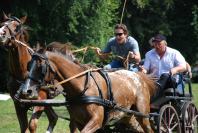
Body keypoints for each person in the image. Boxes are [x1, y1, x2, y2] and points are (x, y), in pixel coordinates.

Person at [140, 34, 187, 101]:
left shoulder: (174, 53)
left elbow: (183, 66)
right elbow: (146, 68)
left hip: (170, 80)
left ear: (165, 44)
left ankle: (153, 95)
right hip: (153, 80)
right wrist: (143, 70)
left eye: (159, 44)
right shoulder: (149, 54)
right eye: (155, 44)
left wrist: (175, 69)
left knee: (165, 75)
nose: (157, 46)